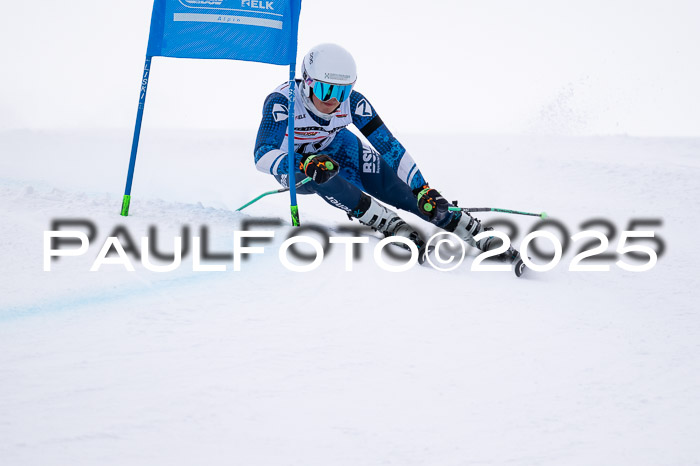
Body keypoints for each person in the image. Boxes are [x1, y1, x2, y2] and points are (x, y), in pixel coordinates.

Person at [253, 43, 525, 276]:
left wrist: (422, 188)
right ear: (307, 82)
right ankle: (387, 223)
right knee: (321, 174)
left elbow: (390, 147)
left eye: (342, 92)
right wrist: (302, 163)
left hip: (337, 146)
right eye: (326, 91)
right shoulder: (282, 101)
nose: (334, 101)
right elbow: (262, 154)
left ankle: (472, 230)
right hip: (295, 162)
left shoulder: (354, 103)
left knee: (401, 189)